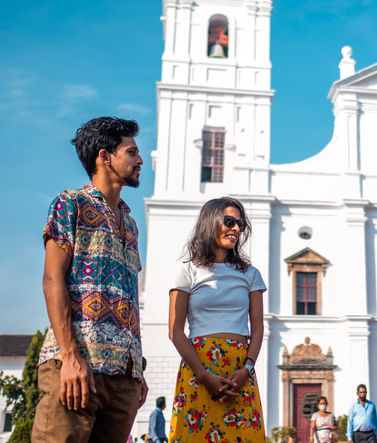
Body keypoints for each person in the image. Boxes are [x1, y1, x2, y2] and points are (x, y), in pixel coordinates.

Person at [33, 117, 148, 443]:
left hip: (123, 378)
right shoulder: (70, 204)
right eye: (132, 152)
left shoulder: (130, 222)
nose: (140, 160)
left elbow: (129, 297)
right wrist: (70, 358)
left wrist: (137, 369)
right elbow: (52, 279)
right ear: (104, 156)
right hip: (77, 368)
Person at [168, 197, 266, 442]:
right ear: (210, 221)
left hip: (239, 372)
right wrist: (203, 375)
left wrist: (247, 368)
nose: (235, 229)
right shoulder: (186, 270)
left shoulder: (251, 274)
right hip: (198, 368)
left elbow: (258, 327)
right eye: (229, 221)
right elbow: (175, 331)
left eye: (240, 225)